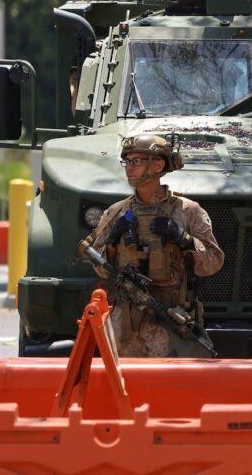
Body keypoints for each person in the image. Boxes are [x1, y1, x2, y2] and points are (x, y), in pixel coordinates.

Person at [74, 134, 224, 357]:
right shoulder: (115, 213)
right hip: (125, 325)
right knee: (123, 385)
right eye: (127, 162)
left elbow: (213, 263)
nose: (129, 168)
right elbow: (102, 270)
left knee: (169, 388)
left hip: (170, 318)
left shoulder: (187, 211)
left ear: (158, 165)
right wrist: (113, 242)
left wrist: (184, 239)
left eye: (137, 161)